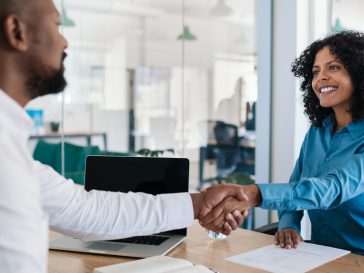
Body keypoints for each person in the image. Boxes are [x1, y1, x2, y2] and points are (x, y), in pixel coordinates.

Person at [0, 1, 247, 272]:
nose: (64, 42)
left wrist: (199, 203)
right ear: (17, 32)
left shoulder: (12, 147)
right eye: (56, 25)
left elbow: (84, 211)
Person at [201, 30, 364, 255]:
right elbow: (297, 182)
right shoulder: (317, 132)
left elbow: (330, 189)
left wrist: (250, 194)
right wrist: (289, 224)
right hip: (321, 256)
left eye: (333, 67)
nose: (321, 77)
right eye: (315, 71)